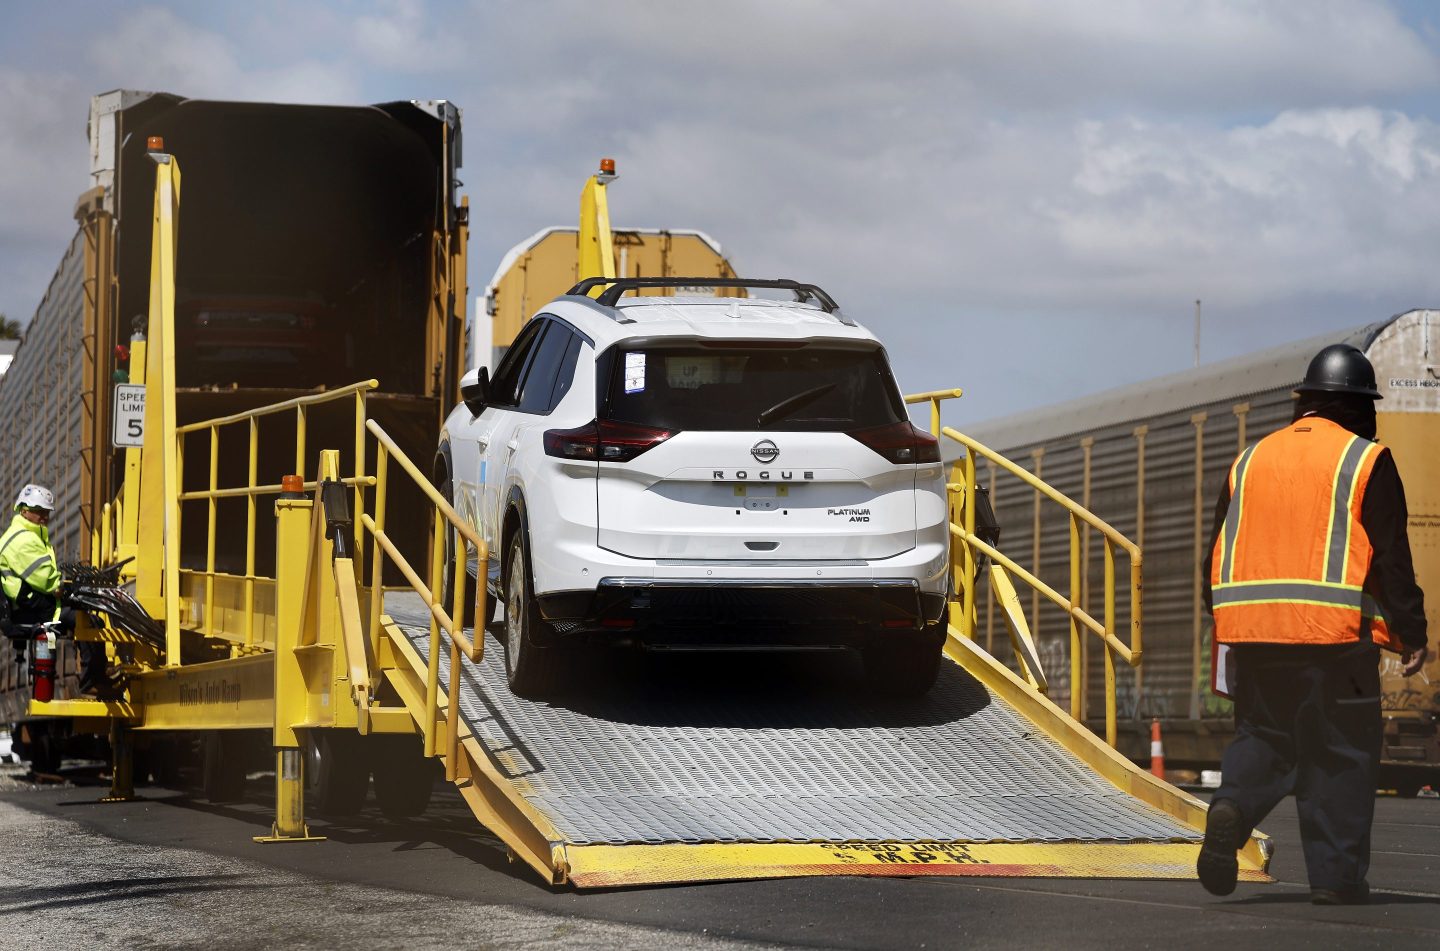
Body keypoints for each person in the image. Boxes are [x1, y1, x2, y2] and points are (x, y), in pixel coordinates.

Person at [1197, 344, 1429, 905]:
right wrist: (1413, 633)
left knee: (1264, 736)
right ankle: (1335, 879)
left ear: (1305, 400)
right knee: (1341, 753)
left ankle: (1233, 805)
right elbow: (1392, 558)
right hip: (1335, 644)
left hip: (1253, 636)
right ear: (1358, 406)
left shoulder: (1250, 460)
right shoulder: (1365, 461)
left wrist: (1227, 619)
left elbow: (1214, 555)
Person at [0, 484, 110, 695]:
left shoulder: (24, 534)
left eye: (46, 512)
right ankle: (92, 682)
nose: (44, 517)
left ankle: (98, 674)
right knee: (88, 621)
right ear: (23, 510)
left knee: (86, 614)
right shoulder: (23, 540)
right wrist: (70, 589)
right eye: (39, 511)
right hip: (33, 611)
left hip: (30, 606)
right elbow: (49, 583)